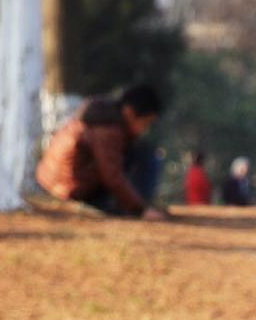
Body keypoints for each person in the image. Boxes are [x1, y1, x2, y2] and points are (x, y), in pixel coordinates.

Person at [36, 83, 167, 219]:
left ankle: (134, 205)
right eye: (146, 123)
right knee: (145, 155)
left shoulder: (99, 118)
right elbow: (112, 175)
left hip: (54, 184)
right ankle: (140, 207)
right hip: (68, 189)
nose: (144, 130)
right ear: (129, 112)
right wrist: (140, 210)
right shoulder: (108, 130)